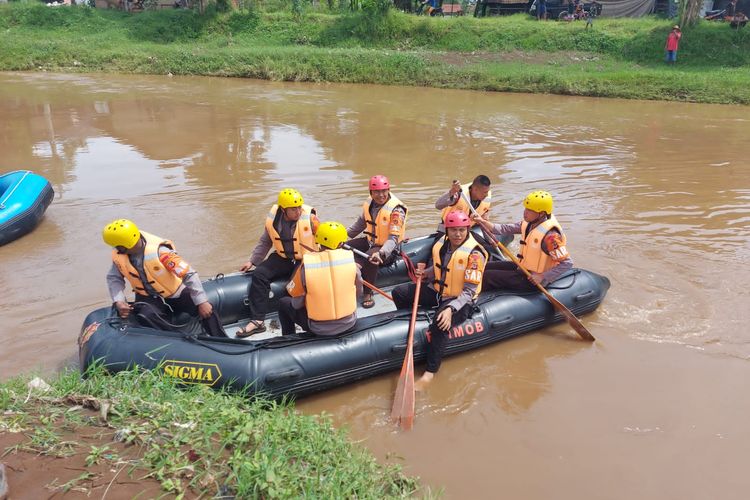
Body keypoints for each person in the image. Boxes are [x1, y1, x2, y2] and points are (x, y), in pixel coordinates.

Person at [392, 211, 488, 390]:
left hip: (460, 299)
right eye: (453, 230)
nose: (457, 234)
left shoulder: (475, 255)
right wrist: (426, 273)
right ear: (447, 230)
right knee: (399, 292)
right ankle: (408, 325)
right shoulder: (442, 244)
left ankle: (430, 372)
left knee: (440, 324)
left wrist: (450, 309)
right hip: (437, 291)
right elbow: (440, 270)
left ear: (467, 229)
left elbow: (469, 291)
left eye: (461, 230)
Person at [103, 219, 225, 337]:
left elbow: (189, 274)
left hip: (175, 291)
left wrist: (201, 301)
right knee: (146, 316)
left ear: (128, 243)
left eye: (119, 247)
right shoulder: (120, 256)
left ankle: (223, 340)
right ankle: (177, 341)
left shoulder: (161, 252)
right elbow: (114, 278)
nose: (116, 249)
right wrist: (119, 300)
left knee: (207, 309)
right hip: (147, 296)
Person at [236, 188, 319, 337]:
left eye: (299, 207)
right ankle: (258, 321)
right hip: (284, 257)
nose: (298, 212)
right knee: (260, 274)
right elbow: (265, 242)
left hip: (306, 258)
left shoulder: (310, 219)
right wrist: (252, 261)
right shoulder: (274, 220)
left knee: (295, 287)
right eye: (293, 209)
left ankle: (308, 319)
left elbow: (323, 237)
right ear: (283, 209)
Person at [473, 190, 572, 292]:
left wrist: (542, 276)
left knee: (487, 276)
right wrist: (482, 221)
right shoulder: (529, 223)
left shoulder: (551, 237)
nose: (525, 212)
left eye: (530, 210)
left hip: (533, 280)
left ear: (541, 214)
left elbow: (567, 263)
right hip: (523, 268)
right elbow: (504, 228)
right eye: (526, 208)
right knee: (484, 266)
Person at [278, 221, 363, 337]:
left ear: (318, 240)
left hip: (317, 328)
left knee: (283, 303)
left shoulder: (306, 266)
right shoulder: (351, 262)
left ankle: (288, 339)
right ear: (341, 243)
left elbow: (297, 303)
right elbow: (358, 292)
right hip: (349, 322)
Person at [345, 175, 407, 309]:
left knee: (370, 258)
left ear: (388, 190)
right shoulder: (369, 204)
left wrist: (381, 253)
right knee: (345, 248)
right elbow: (359, 225)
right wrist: (341, 236)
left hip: (389, 248)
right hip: (371, 241)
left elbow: (393, 239)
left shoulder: (397, 211)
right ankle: (353, 271)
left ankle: (368, 293)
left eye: (384, 191)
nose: (381, 195)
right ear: (371, 193)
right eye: (377, 192)